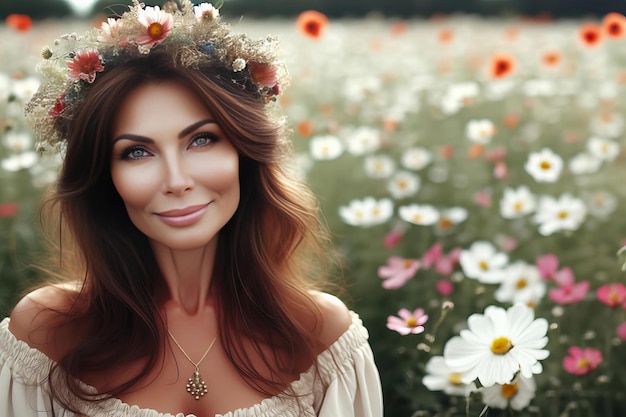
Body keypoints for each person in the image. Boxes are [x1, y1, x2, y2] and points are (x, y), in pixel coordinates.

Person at [0, 1, 383, 416]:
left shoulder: (321, 336)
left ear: (244, 151)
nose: (176, 180)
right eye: (137, 152)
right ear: (102, 176)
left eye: (201, 140)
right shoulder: (48, 334)